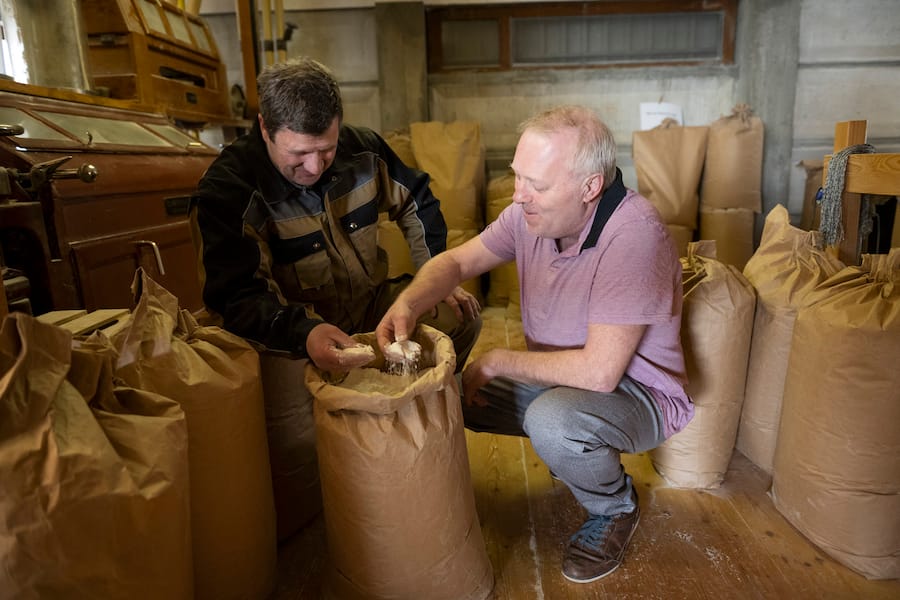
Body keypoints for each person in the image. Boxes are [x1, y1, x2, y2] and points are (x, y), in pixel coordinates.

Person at [376, 105, 693, 583]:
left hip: (638, 393)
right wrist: (408, 304)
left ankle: (615, 507)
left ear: (590, 188)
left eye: (536, 185)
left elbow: (600, 374)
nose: (519, 196)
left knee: (553, 420)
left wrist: (500, 360)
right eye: (517, 176)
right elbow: (456, 265)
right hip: (566, 380)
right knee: (446, 392)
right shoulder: (530, 217)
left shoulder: (633, 236)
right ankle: (570, 454)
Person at [189, 57, 482, 538]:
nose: (315, 166)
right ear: (264, 127)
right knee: (304, 463)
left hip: (368, 306)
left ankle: (413, 440)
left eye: (325, 150)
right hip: (288, 336)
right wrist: (304, 333)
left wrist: (438, 274)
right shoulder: (229, 190)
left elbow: (417, 198)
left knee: (461, 321)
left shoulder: (362, 149)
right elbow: (236, 297)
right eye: (299, 154)